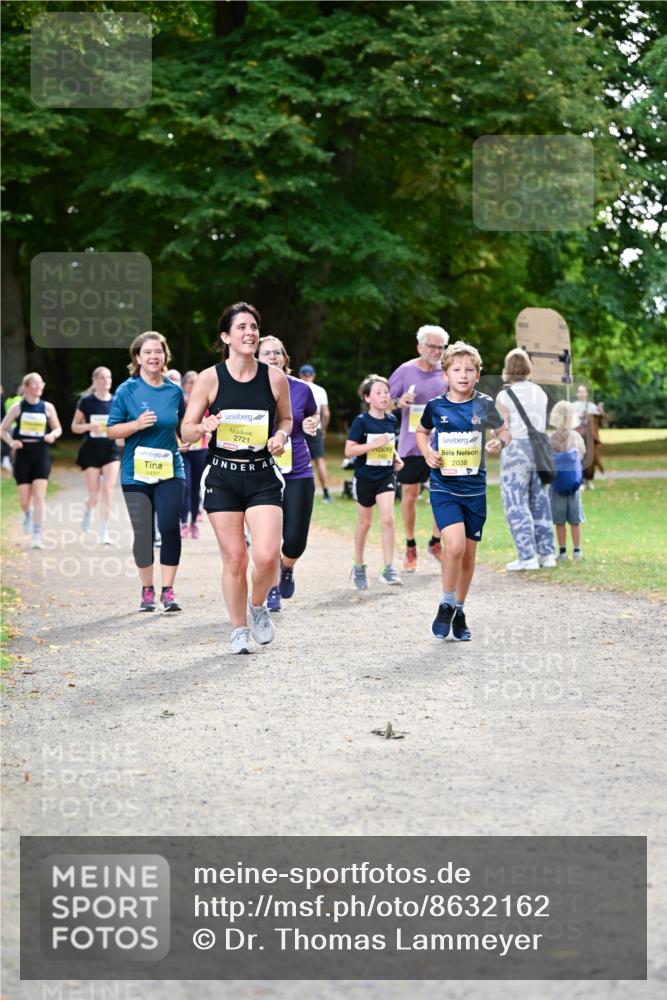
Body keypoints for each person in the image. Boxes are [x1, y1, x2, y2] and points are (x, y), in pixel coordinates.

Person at [181, 302, 292, 654]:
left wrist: (281, 436)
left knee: (268, 555)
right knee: (235, 559)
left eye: (254, 327)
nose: (250, 333)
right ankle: (238, 628)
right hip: (223, 476)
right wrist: (203, 426)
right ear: (226, 336)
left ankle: (258, 606)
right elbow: (185, 431)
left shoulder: (274, 377)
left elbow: (286, 420)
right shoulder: (209, 378)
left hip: (261, 475)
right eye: (241, 327)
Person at [416, 342, 509, 641]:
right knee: (453, 546)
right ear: (445, 374)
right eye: (456, 369)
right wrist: (427, 453)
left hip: (474, 491)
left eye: (470, 370)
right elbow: (421, 432)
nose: (463, 375)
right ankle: (446, 602)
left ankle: (459, 608)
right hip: (444, 487)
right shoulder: (435, 406)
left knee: (468, 556)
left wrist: (498, 442)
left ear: (478, 375)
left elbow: (503, 431)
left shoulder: (483, 404)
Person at [107, 331, 186, 612]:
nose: (154, 356)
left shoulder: (174, 391)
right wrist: (136, 424)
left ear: (165, 356)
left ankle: (168, 590)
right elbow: (112, 430)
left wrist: (186, 439)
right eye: (148, 352)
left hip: (170, 469)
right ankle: (147, 590)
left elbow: (182, 427)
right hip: (135, 473)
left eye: (158, 351)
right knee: (143, 533)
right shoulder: (126, 390)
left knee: (168, 527)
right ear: (137, 357)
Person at [257, 337, 319, 612]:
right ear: (256, 356)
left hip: (298, 470)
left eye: (277, 353)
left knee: (294, 540)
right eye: (266, 353)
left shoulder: (302, 390)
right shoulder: (246, 389)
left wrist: (311, 423)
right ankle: (271, 590)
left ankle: (286, 566)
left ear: (285, 358)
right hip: (260, 471)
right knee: (268, 540)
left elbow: (311, 418)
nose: (272, 356)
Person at [388, 324, 449, 573]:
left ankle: (435, 542)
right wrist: (398, 401)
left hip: (441, 444)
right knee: (410, 495)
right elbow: (384, 403)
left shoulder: (446, 372)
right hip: (412, 444)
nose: (436, 351)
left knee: (443, 495)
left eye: (440, 347)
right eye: (431, 346)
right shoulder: (405, 371)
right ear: (420, 347)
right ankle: (410, 546)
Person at [495, 348, 557, 571]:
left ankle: (527, 555)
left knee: (515, 502)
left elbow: (503, 428)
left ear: (508, 369)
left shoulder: (504, 395)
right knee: (540, 500)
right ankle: (547, 554)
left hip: (515, 449)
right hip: (540, 447)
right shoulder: (539, 392)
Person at [345, 375, 404, 589]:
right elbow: (349, 450)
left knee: (388, 519)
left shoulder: (391, 420)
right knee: (365, 523)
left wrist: (396, 458)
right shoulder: (361, 422)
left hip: (385, 475)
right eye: (378, 393)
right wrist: (373, 445)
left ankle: (389, 569)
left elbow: (388, 444)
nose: (383, 396)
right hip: (364, 478)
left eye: (386, 392)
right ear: (367, 397)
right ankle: (359, 565)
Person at [0, 372, 63, 549]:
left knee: (39, 497)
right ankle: (27, 513)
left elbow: (58, 429)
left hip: (41, 453)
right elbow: (2, 429)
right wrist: (12, 442)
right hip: (22, 455)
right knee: (24, 501)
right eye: (34, 384)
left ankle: (37, 536)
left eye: (40, 384)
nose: (38, 387)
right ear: (26, 387)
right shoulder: (18, 408)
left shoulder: (48, 407)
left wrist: (52, 435)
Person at [71, 366, 121, 545]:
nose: (106, 381)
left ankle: (104, 532)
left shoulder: (116, 401)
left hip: (111, 450)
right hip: (91, 451)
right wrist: (88, 427)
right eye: (102, 378)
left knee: (107, 490)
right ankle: (88, 508)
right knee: (94, 496)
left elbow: (122, 425)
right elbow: (74, 427)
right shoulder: (86, 402)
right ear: (95, 380)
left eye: (108, 378)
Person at [549, 400, 586, 561]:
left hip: (557, 485)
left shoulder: (552, 438)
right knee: (575, 520)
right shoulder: (576, 437)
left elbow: (548, 460)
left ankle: (562, 552)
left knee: (559, 521)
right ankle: (577, 550)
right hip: (574, 484)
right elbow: (582, 454)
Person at [178, 370, 208, 540]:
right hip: (184, 451)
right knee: (185, 485)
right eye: (190, 382)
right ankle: (183, 521)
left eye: (197, 381)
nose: (194, 385)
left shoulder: (206, 401)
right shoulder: (180, 401)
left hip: (200, 450)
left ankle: (194, 524)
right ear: (184, 385)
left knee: (196, 488)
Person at [298, 364, 332, 503]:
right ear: (313, 375)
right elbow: (326, 413)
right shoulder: (320, 390)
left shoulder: (296, 387)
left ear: (300, 375)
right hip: (314, 427)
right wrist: (323, 429)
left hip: (299, 428)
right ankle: (326, 493)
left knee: (298, 461)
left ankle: (299, 493)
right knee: (319, 460)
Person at [574, 383, 604, 487]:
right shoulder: (573, 406)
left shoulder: (591, 406)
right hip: (578, 436)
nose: (582, 394)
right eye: (580, 392)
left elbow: (599, 421)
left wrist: (600, 412)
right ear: (577, 393)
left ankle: (589, 479)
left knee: (590, 458)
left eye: (584, 391)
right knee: (579, 458)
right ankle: (580, 480)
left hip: (589, 437)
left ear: (587, 393)